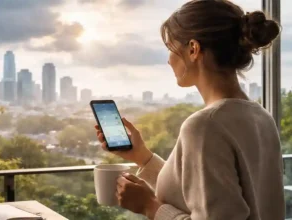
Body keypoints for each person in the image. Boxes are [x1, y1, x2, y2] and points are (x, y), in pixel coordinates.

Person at [95, 0, 284, 219]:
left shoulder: (206, 125)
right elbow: (202, 193)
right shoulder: (261, 117)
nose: (168, 60)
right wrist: (142, 157)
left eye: (171, 49)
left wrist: (149, 206)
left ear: (193, 49)